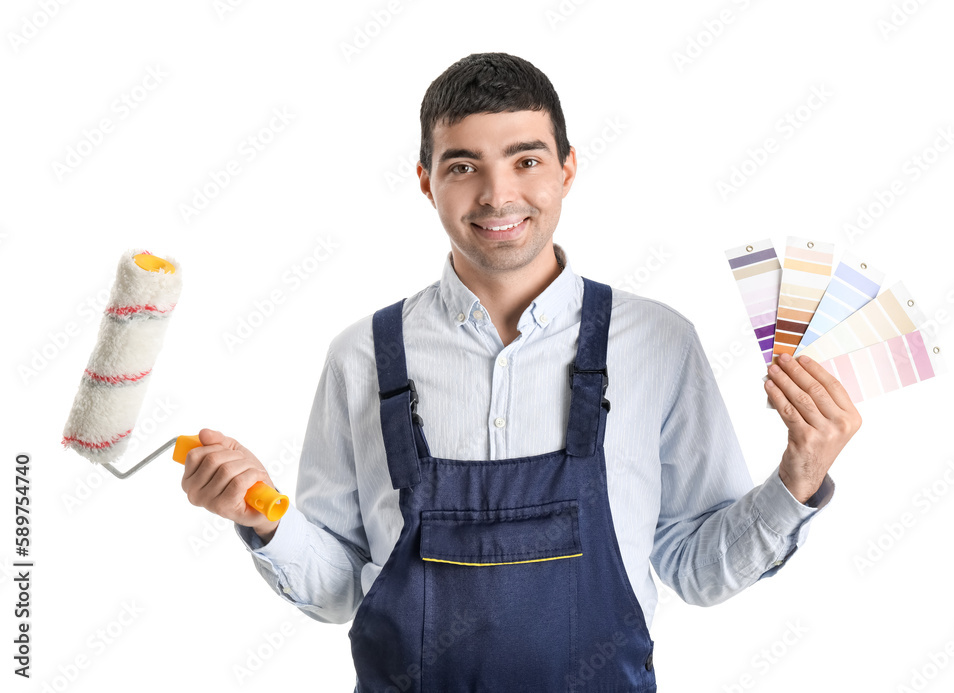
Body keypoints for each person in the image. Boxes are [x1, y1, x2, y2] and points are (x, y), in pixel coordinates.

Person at [181, 52, 860, 690]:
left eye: (524, 159)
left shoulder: (657, 342)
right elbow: (337, 588)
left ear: (566, 168)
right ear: (426, 182)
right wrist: (262, 514)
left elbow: (696, 568)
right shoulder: (361, 355)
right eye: (462, 166)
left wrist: (798, 476)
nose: (497, 195)